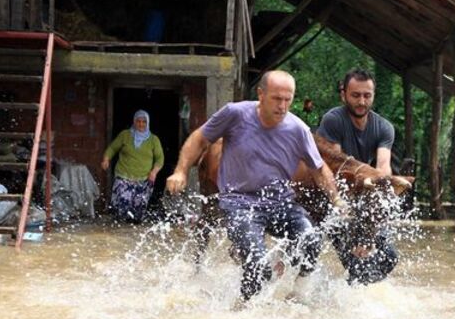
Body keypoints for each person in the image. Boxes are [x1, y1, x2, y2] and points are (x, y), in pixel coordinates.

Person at [165, 70, 345, 304]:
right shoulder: (235, 114)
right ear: (261, 94)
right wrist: (180, 170)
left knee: (311, 240)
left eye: (288, 100)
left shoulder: (298, 129)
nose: (282, 106)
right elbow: (200, 138)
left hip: (280, 202)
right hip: (240, 204)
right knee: (257, 264)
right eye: (276, 98)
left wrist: (337, 200)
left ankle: (297, 295)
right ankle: (244, 309)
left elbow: (319, 169)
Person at [316, 68, 399, 285]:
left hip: (366, 195)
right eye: (356, 95)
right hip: (336, 199)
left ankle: (360, 291)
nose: (361, 101)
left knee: (389, 256)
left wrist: (383, 181)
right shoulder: (333, 120)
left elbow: (383, 167)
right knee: (357, 263)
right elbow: (337, 166)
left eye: (367, 95)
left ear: (373, 96)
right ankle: (355, 293)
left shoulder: (384, 127)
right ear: (344, 95)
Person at [102, 110, 164, 223]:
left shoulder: (153, 140)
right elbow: (112, 148)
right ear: (134, 122)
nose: (141, 124)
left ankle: (133, 235)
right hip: (123, 177)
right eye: (138, 121)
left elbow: (160, 158)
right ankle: (119, 232)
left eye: (143, 122)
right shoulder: (125, 135)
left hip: (143, 180)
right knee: (122, 206)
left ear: (147, 123)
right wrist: (106, 159)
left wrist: (154, 172)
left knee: (138, 213)